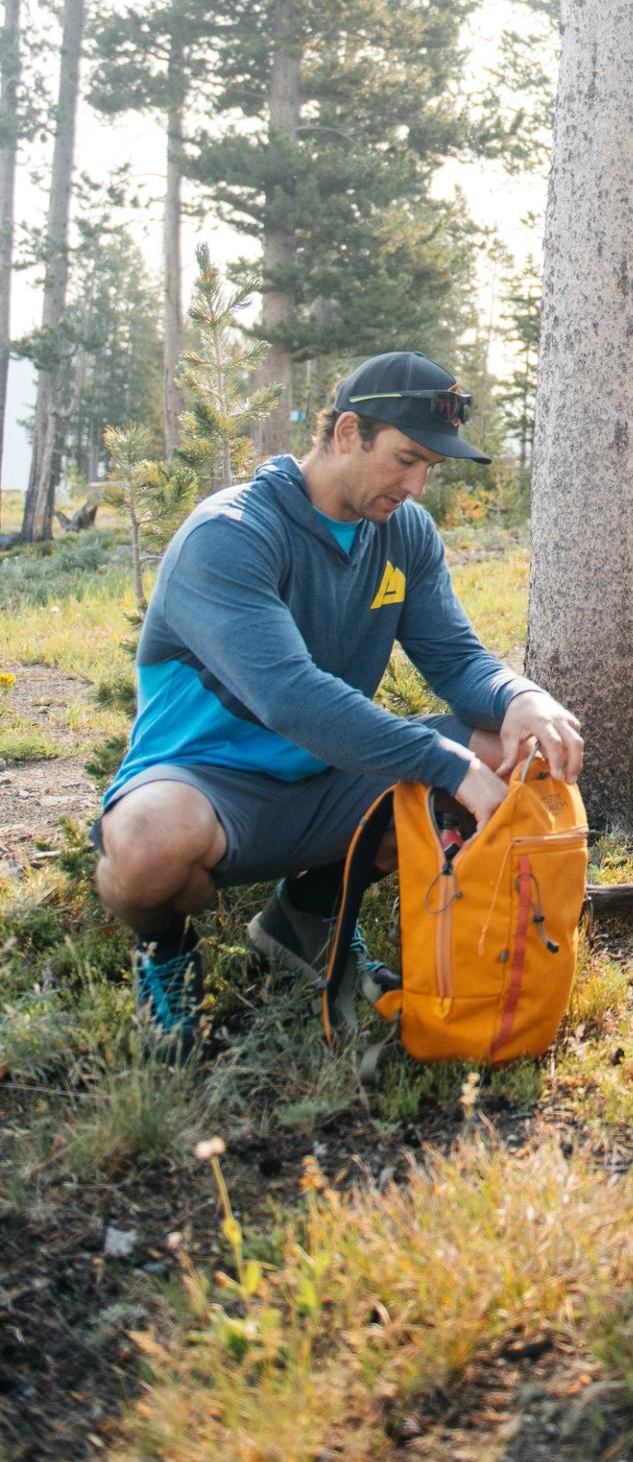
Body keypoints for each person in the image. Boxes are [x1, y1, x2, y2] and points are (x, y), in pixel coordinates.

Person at [92, 353, 584, 1060]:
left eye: (429, 469)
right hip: (206, 782)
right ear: (348, 431)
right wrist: (439, 760)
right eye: (405, 459)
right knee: (145, 845)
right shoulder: (230, 534)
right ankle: (166, 953)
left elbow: (453, 658)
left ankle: (307, 915)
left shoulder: (404, 533)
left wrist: (520, 697)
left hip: (331, 777)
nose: (414, 486)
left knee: (502, 748)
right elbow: (288, 695)